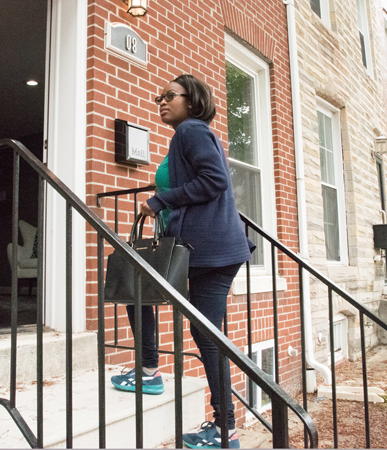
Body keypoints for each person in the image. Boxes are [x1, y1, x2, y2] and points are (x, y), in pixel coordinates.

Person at [110, 75, 254, 449]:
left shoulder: (190, 131)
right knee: (200, 329)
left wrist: (161, 200)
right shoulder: (190, 135)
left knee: (139, 287)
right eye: (159, 96)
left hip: (205, 249)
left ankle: (149, 371)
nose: (161, 101)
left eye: (170, 96)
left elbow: (215, 180)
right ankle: (224, 429)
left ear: (192, 101)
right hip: (209, 248)